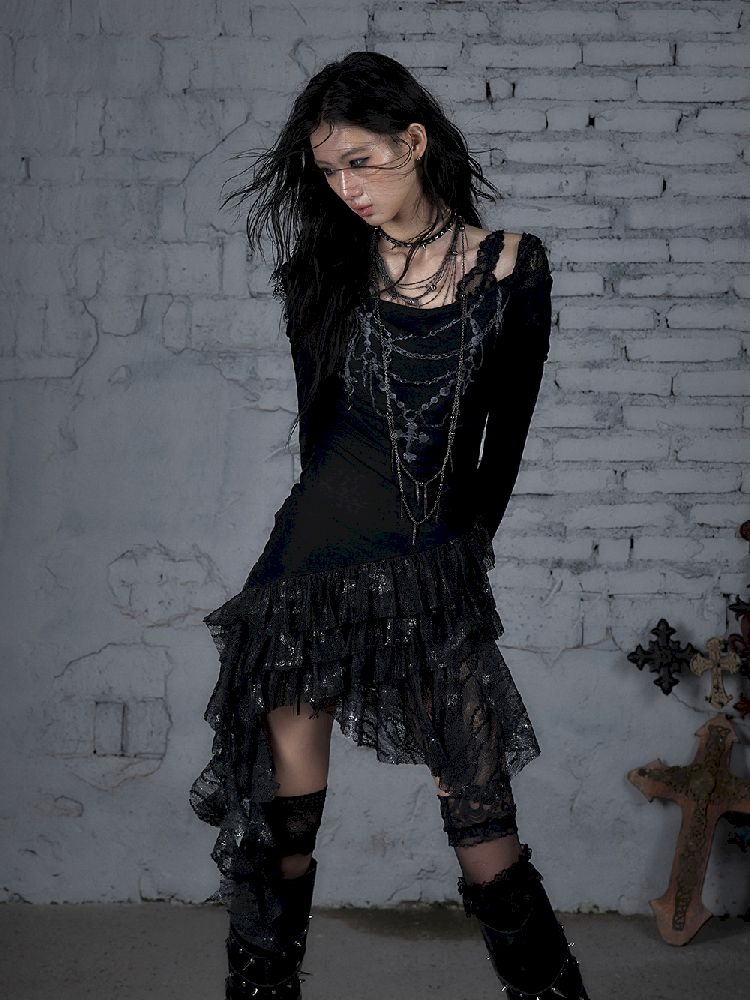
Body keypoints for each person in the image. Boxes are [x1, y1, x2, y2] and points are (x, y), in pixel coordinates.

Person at [189, 50, 591, 1000]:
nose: (346, 188)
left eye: (360, 162)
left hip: (430, 568)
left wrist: (460, 559)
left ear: (413, 142)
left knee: (484, 824)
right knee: (287, 828)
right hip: (308, 572)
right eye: (329, 171)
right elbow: (318, 441)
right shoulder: (320, 275)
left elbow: (502, 446)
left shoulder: (511, 265)